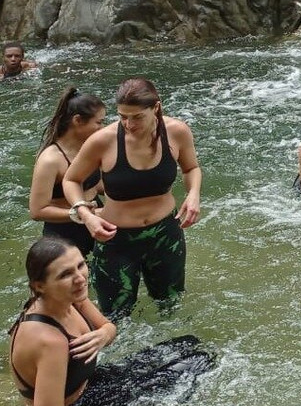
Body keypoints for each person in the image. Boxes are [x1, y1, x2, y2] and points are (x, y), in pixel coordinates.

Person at [8, 237, 214, 406]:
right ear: (39, 286)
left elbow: (108, 327)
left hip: (94, 381)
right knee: (199, 361)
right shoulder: (49, 342)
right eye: (65, 274)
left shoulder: (67, 296)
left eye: (80, 265)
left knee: (187, 343)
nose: (80, 278)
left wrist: (103, 336)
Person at [62, 77, 202, 318]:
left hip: (166, 236)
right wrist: (85, 215)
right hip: (116, 240)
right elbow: (71, 179)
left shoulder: (176, 131)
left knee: (170, 306)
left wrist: (193, 194)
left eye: (137, 116)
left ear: (155, 108)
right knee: (115, 315)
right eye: (122, 116)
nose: (128, 123)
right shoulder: (103, 140)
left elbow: (191, 169)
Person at [29, 88, 107, 257]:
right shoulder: (50, 160)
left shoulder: (90, 148)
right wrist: (85, 215)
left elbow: (100, 186)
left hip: (97, 221)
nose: (103, 128)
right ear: (78, 120)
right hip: (64, 233)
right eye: (99, 122)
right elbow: (37, 211)